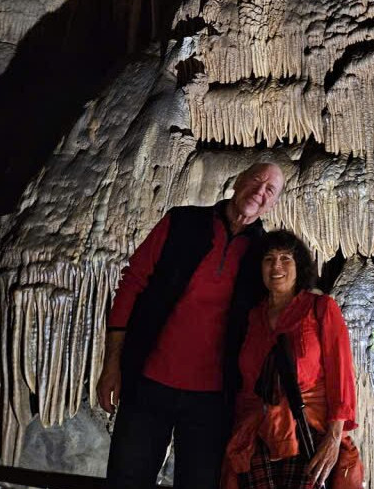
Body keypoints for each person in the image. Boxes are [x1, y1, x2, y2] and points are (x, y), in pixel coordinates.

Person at [97, 162, 285, 489]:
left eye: (270, 190)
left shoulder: (264, 255)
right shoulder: (181, 222)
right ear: (239, 179)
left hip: (212, 400)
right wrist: (112, 363)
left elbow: (274, 319)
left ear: (274, 203)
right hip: (148, 382)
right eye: (256, 180)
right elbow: (132, 284)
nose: (259, 192)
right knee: (126, 479)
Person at [222, 230, 363, 489]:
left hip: (308, 432)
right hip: (259, 436)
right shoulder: (253, 319)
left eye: (285, 258)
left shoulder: (320, 309)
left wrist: (334, 438)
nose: (277, 266)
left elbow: (341, 375)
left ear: (299, 266)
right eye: (268, 259)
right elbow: (246, 387)